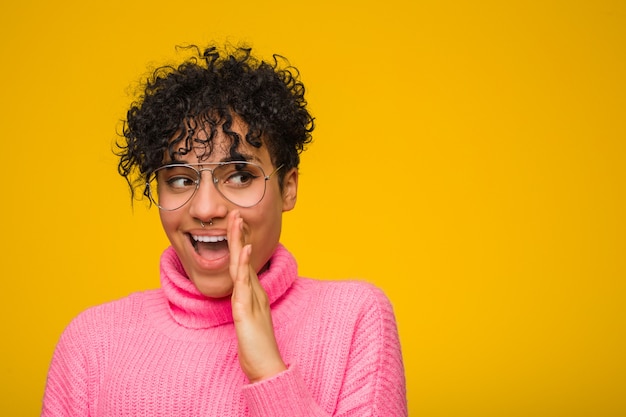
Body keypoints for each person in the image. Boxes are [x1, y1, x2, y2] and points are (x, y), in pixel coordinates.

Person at [41, 44, 407, 417]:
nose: (205, 209)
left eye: (239, 176)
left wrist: (268, 371)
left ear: (289, 187)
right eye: (180, 180)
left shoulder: (354, 320)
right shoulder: (91, 343)